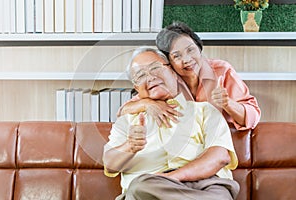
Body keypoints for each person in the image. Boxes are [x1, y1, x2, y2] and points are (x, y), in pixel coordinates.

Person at [103, 47, 240, 200]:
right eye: (140, 75)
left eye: (155, 68)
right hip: (148, 190)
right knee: (140, 186)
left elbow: (219, 157)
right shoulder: (128, 121)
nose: (150, 77)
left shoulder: (205, 111)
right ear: (136, 88)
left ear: (173, 73)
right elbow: (109, 163)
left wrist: (173, 177)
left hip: (205, 187)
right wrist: (130, 145)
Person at [118, 22, 261, 130]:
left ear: (199, 48)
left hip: (221, 144)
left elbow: (253, 117)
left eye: (191, 50)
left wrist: (228, 103)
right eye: (177, 56)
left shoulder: (222, 70)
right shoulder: (165, 82)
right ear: (169, 63)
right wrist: (147, 103)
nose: (187, 60)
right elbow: (123, 111)